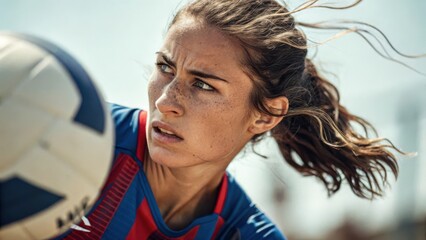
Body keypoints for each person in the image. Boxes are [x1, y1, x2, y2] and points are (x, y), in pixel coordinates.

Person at [57, 0, 402, 239]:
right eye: (165, 67)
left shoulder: (244, 233)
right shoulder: (66, 134)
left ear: (266, 116)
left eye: (203, 84)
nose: (166, 101)